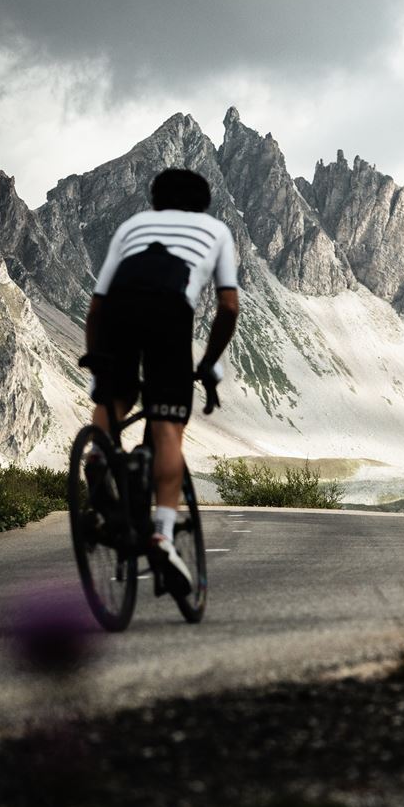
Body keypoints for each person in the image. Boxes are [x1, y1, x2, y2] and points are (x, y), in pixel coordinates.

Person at [84, 168, 239, 598]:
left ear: (155, 200)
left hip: (117, 310)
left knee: (116, 394)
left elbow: (97, 307)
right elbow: (228, 307)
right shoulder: (216, 231)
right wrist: (207, 363)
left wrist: (100, 365)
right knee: (168, 426)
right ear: (204, 202)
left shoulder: (132, 226)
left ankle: (99, 455)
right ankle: (162, 534)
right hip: (168, 312)